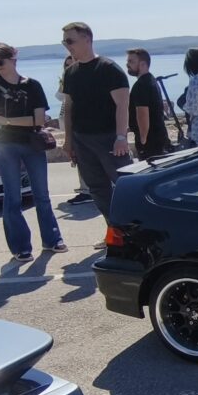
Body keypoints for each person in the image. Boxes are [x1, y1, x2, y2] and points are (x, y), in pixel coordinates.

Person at [0, 43, 65, 261]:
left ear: (13, 58)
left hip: (31, 143)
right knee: (12, 196)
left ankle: (52, 239)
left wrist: (5, 120)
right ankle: (21, 247)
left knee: (41, 194)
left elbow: (39, 120)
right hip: (4, 145)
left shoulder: (32, 85)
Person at [60, 21, 132, 247]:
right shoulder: (71, 72)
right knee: (98, 190)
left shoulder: (108, 69)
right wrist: (69, 141)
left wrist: (121, 137)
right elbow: (69, 108)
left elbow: (122, 105)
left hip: (109, 138)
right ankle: (116, 234)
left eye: (70, 41)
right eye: (64, 42)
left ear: (87, 39)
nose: (67, 46)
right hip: (82, 139)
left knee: (125, 186)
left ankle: (139, 232)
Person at [56, 54, 93, 205]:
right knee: (77, 157)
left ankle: (88, 190)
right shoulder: (67, 81)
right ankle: (85, 188)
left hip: (79, 126)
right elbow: (60, 97)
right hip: (67, 122)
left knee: (83, 158)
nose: (69, 68)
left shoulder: (82, 82)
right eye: (67, 65)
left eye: (72, 64)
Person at [126, 48, 170, 160]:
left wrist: (143, 138)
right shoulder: (151, 79)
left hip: (150, 140)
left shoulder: (141, 85)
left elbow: (142, 114)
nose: (127, 65)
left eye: (131, 61)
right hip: (159, 135)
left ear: (143, 64)